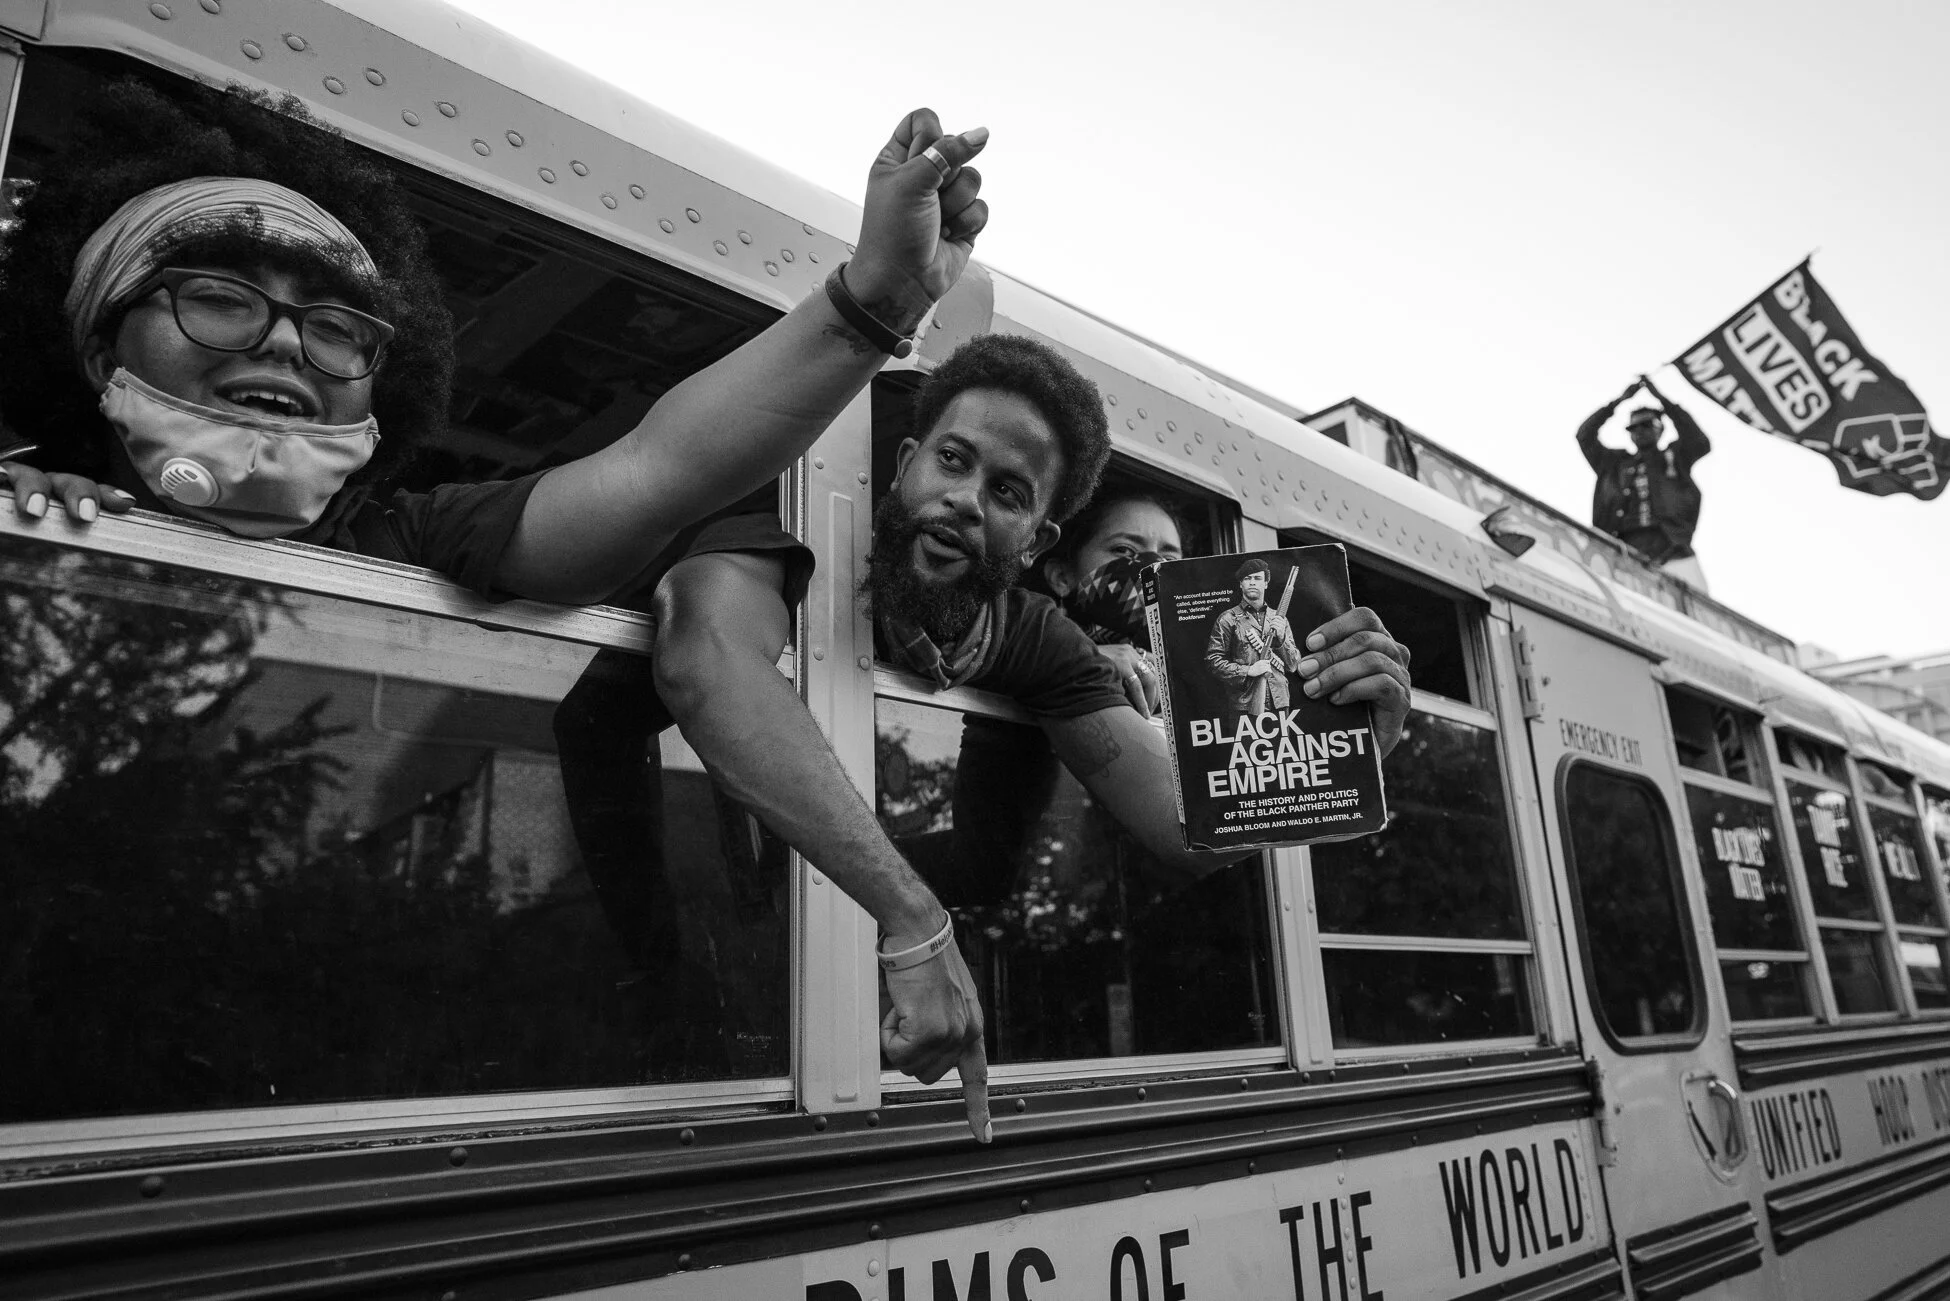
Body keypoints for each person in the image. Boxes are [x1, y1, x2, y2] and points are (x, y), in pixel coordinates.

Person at [0, 80, 994, 1108]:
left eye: (339, 327)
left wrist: (876, 302)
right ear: (91, 342)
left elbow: (663, 467)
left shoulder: (412, 533)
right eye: (218, 297)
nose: (290, 343)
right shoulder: (27, 517)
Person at [646, 331, 1413, 1136]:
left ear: (1039, 541)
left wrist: (1344, 747)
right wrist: (915, 918)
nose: (968, 499)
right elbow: (702, 655)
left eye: (1008, 492)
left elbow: (1187, 823)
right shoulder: (798, 522)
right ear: (904, 461)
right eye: (952, 460)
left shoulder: (1036, 636)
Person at [1034, 485, 1184, 717]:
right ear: (1062, 577)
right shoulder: (1027, 647)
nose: (1154, 566)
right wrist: (1082, 660)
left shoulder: (1196, 677)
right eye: (1124, 549)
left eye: (1169, 558)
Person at [1577, 372, 1711, 586]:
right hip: (1622, 551)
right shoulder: (1614, 464)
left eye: (1646, 425)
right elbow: (1584, 435)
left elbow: (1699, 441)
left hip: (1673, 550)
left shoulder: (1675, 457)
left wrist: (1662, 400)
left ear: (1660, 429)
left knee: (1691, 613)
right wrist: (1619, 402)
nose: (1639, 431)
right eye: (1633, 427)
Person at [1203, 557, 1307, 718]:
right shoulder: (1228, 619)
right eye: (1247, 578)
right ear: (1240, 584)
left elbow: (1293, 665)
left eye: (1257, 578)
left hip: (1279, 701)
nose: (1252, 582)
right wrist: (1248, 670)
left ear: (1265, 583)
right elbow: (1213, 661)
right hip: (1245, 703)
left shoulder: (1279, 619)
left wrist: (1281, 639)